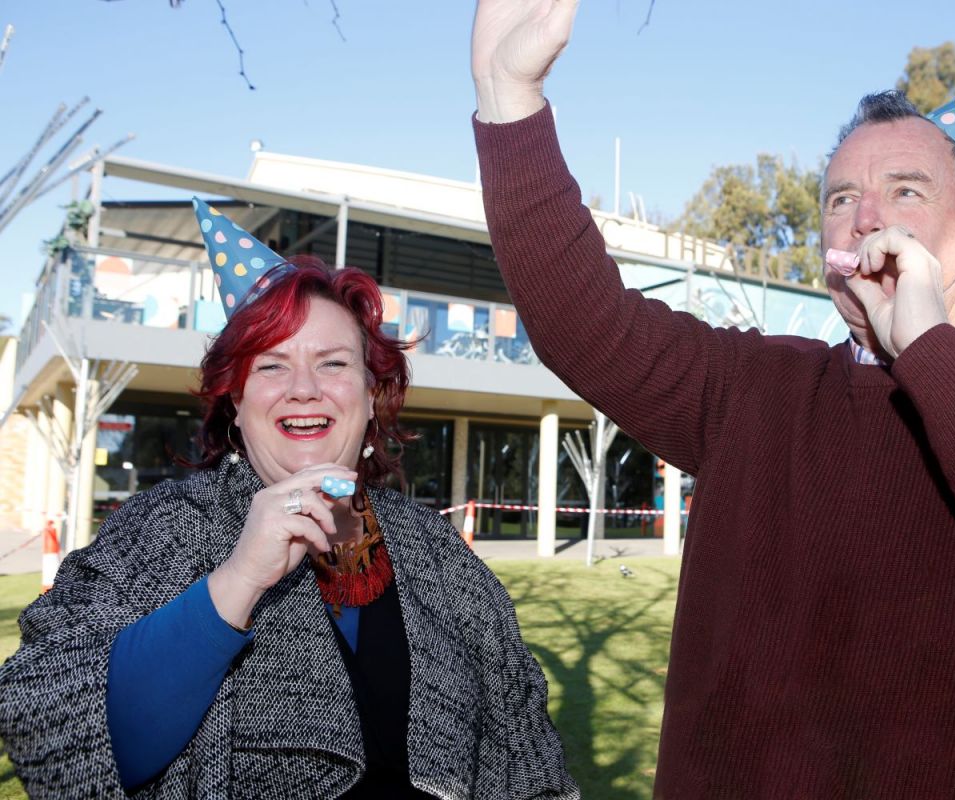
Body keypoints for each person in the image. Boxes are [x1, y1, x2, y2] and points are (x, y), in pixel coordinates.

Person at [469, 2, 955, 797]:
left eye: (907, 190)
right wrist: (510, 98)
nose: (868, 219)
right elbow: (584, 320)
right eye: (840, 198)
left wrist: (929, 351)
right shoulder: (751, 388)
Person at [0, 199, 579, 800]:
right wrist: (238, 579)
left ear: (371, 390)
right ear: (235, 399)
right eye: (272, 365)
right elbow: (48, 725)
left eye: (332, 363)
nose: (304, 389)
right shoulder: (164, 526)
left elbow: (525, 749)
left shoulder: (433, 548)